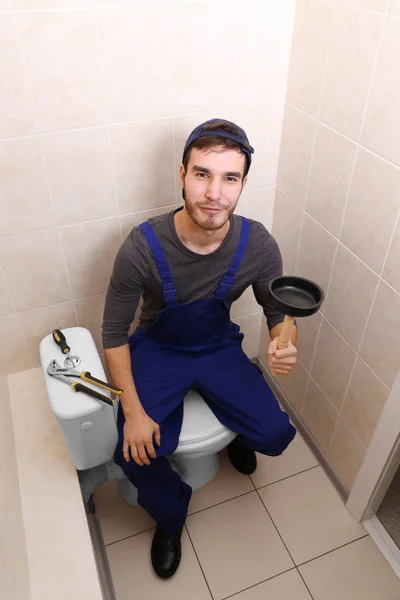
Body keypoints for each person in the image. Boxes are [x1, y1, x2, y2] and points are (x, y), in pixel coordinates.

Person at [102, 118, 298, 579]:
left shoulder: (258, 244)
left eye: (230, 178)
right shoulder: (141, 247)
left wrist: (284, 342)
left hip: (216, 347)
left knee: (273, 434)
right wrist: (132, 411)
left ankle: (241, 435)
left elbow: (278, 312)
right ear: (183, 175)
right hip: (158, 348)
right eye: (203, 174)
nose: (214, 192)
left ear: (243, 183)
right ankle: (171, 516)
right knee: (132, 451)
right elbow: (112, 334)